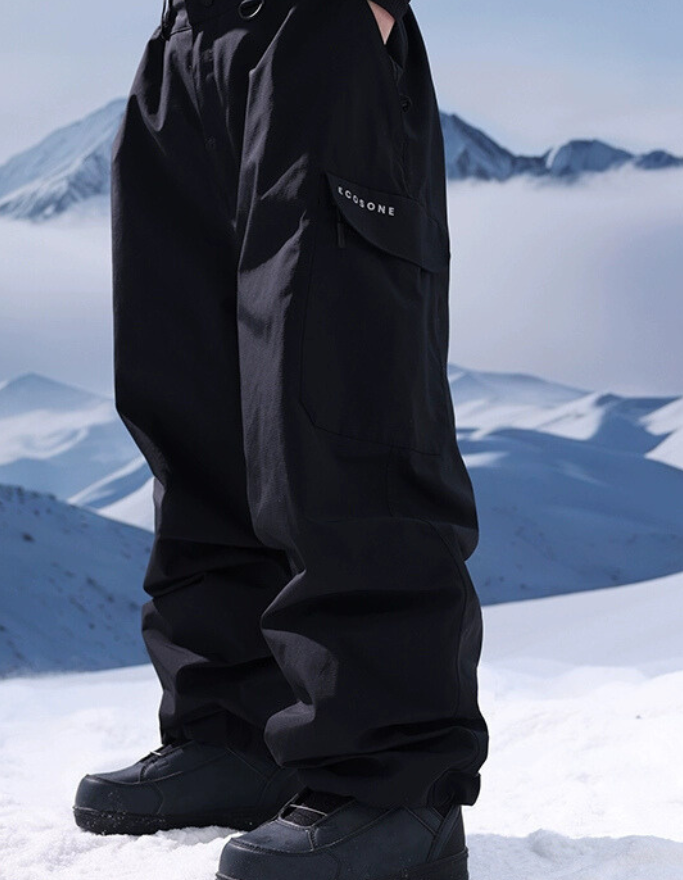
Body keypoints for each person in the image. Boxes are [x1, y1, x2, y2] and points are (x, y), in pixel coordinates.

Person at [73, 0, 489, 876]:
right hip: (187, 41)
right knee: (196, 404)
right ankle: (235, 730)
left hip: (317, 25)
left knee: (345, 398)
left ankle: (396, 784)